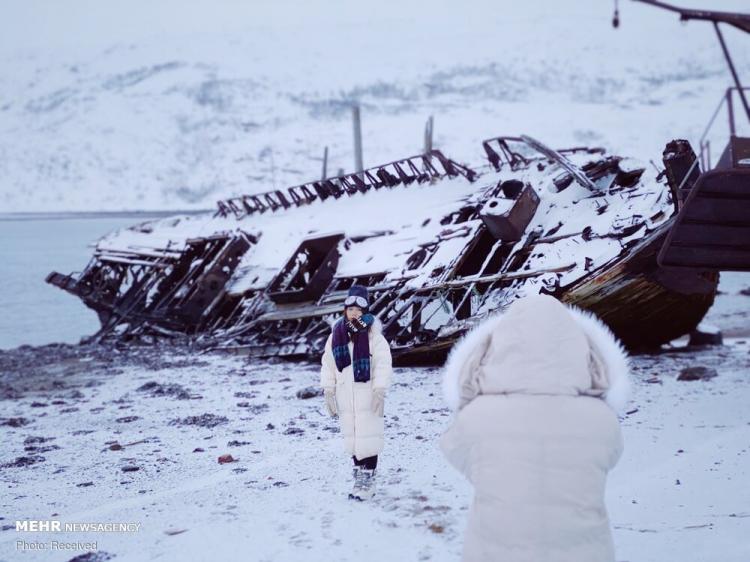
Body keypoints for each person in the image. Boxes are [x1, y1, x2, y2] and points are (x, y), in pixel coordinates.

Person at [439, 294, 631, 562]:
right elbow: (610, 456)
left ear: (497, 349)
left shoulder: (476, 417)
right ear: (581, 350)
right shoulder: (602, 420)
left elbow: (454, 451)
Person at [320, 284, 393, 501]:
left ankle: (367, 481)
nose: (353, 313)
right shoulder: (336, 335)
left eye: (358, 310)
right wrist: (328, 390)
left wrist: (380, 390)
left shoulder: (374, 338)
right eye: (350, 309)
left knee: (368, 438)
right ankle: (358, 476)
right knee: (352, 438)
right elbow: (328, 364)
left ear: (365, 312)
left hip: (368, 395)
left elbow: (383, 364)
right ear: (345, 311)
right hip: (345, 397)